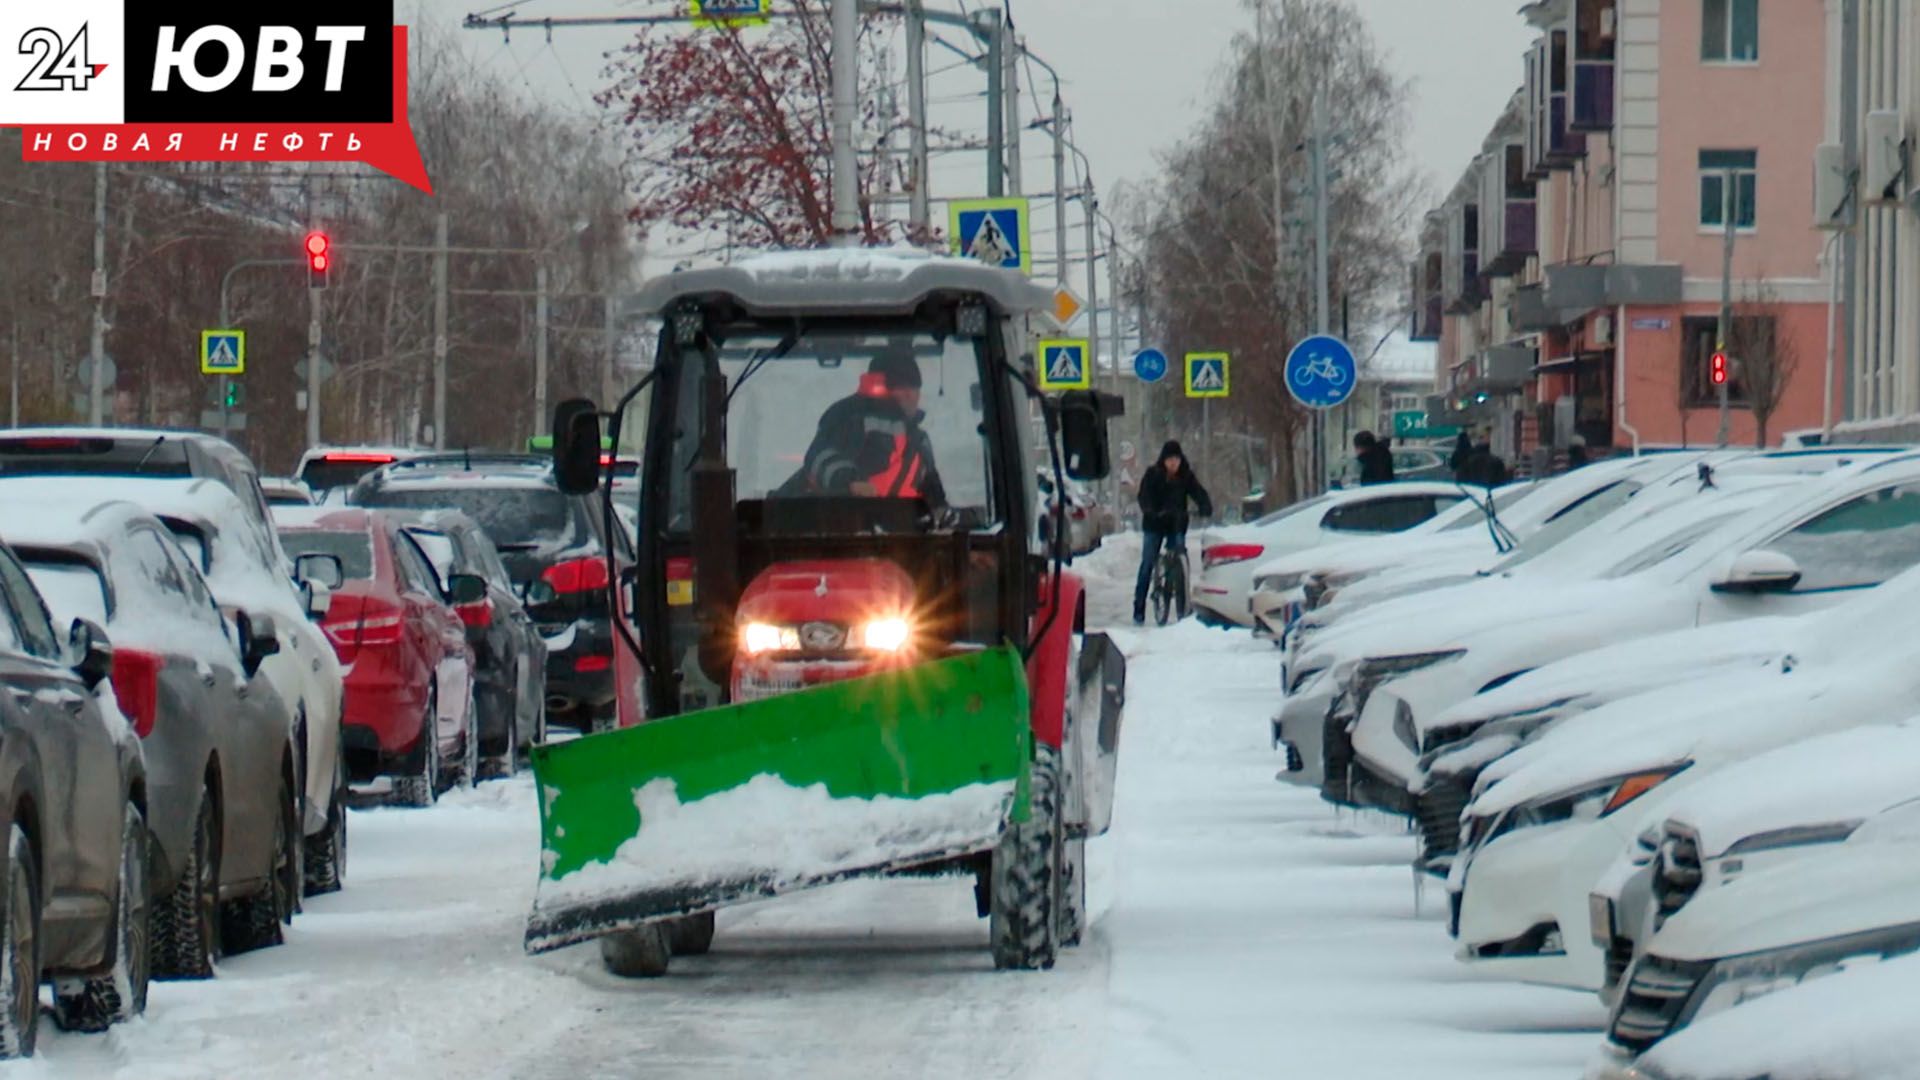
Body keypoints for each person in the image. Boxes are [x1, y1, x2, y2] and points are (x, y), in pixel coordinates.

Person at [793, 351, 946, 505]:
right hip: (853, 521)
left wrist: (940, 509)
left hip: (904, 524)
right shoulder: (852, 416)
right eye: (901, 387)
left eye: (914, 387)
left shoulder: (920, 441)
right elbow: (821, 456)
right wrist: (850, 482)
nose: (910, 394)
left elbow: (931, 489)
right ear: (881, 384)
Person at [1133, 441, 1212, 625]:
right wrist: (1150, 510)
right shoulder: (1153, 474)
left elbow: (1198, 492)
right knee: (1148, 563)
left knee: (1181, 557)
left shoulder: (1186, 476)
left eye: (1176, 459)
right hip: (1155, 524)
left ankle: (1183, 605)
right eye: (1170, 460)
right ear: (1164, 460)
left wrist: (1204, 506)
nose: (1173, 463)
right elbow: (1143, 496)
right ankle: (1139, 608)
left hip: (1176, 524)